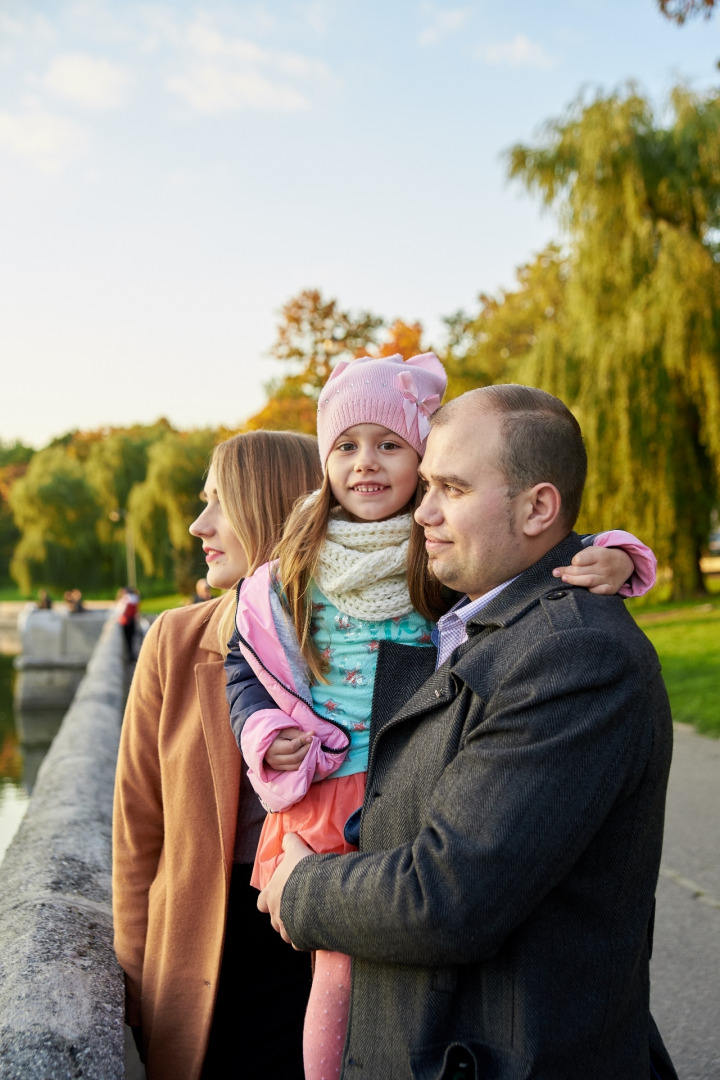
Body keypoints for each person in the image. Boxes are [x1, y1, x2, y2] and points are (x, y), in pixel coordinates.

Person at [226, 361, 658, 1080]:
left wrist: (302, 887)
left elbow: (446, 897)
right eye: (428, 489)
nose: (421, 512)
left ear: (536, 510)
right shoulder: (475, 618)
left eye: (447, 488)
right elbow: (251, 655)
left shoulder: (572, 653)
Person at [112, 430, 322, 1080]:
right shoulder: (174, 643)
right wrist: (138, 984)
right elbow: (137, 836)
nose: (199, 524)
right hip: (202, 964)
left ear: (278, 506)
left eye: (219, 502)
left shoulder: (368, 647)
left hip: (326, 948)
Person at [116, 585, 140, 661]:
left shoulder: (125, 599)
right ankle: (132, 654)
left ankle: (129, 655)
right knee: (132, 638)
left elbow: (121, 610)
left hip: (126, 621)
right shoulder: (135, 598)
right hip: (132, 620)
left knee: (127, 639)